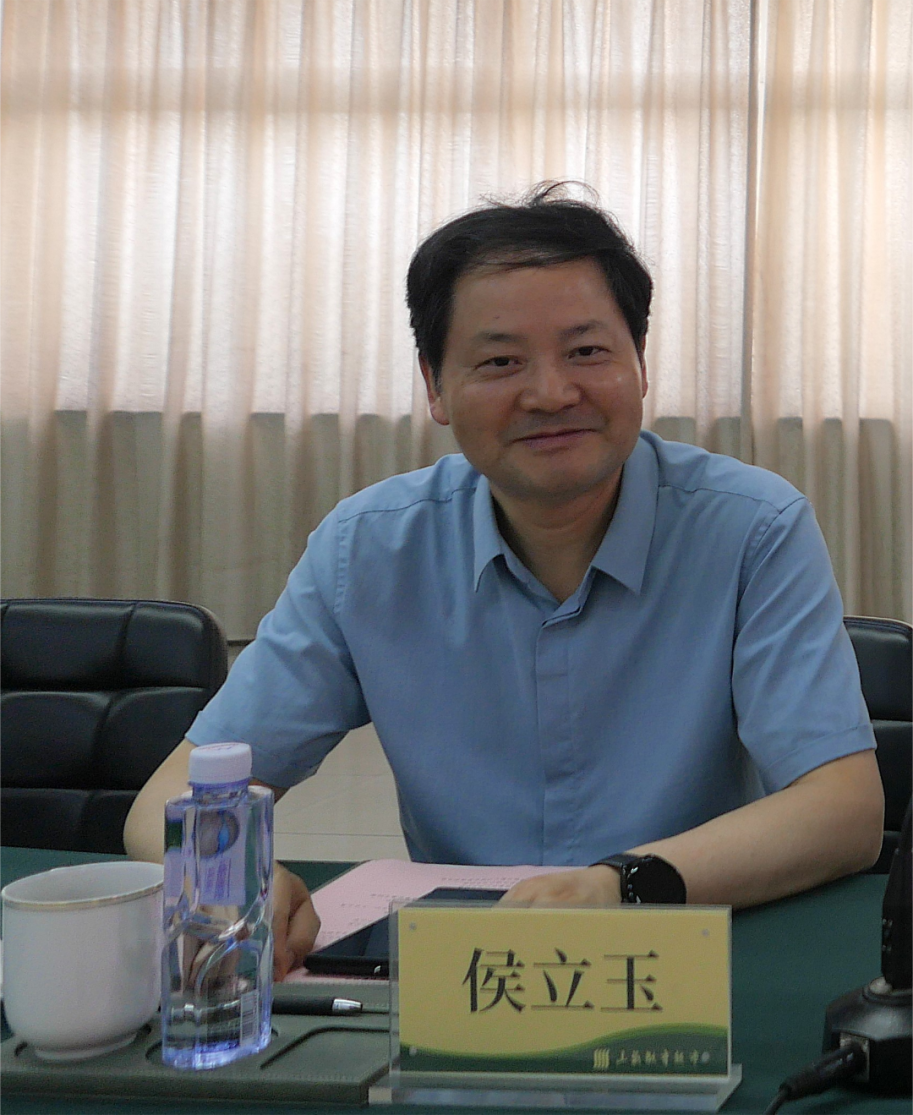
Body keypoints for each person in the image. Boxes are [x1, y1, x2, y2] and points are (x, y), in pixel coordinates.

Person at [125, 183, 884, 979]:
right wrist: (224, 877)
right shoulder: (370, 549)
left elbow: (842, 808)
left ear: (639, 365)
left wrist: (619, 886)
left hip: (697, 964)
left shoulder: (752, 529)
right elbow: (169, 800)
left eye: (586, 351)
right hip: (470, 980)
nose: (551, 393)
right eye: (499, 361)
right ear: (434, 386)